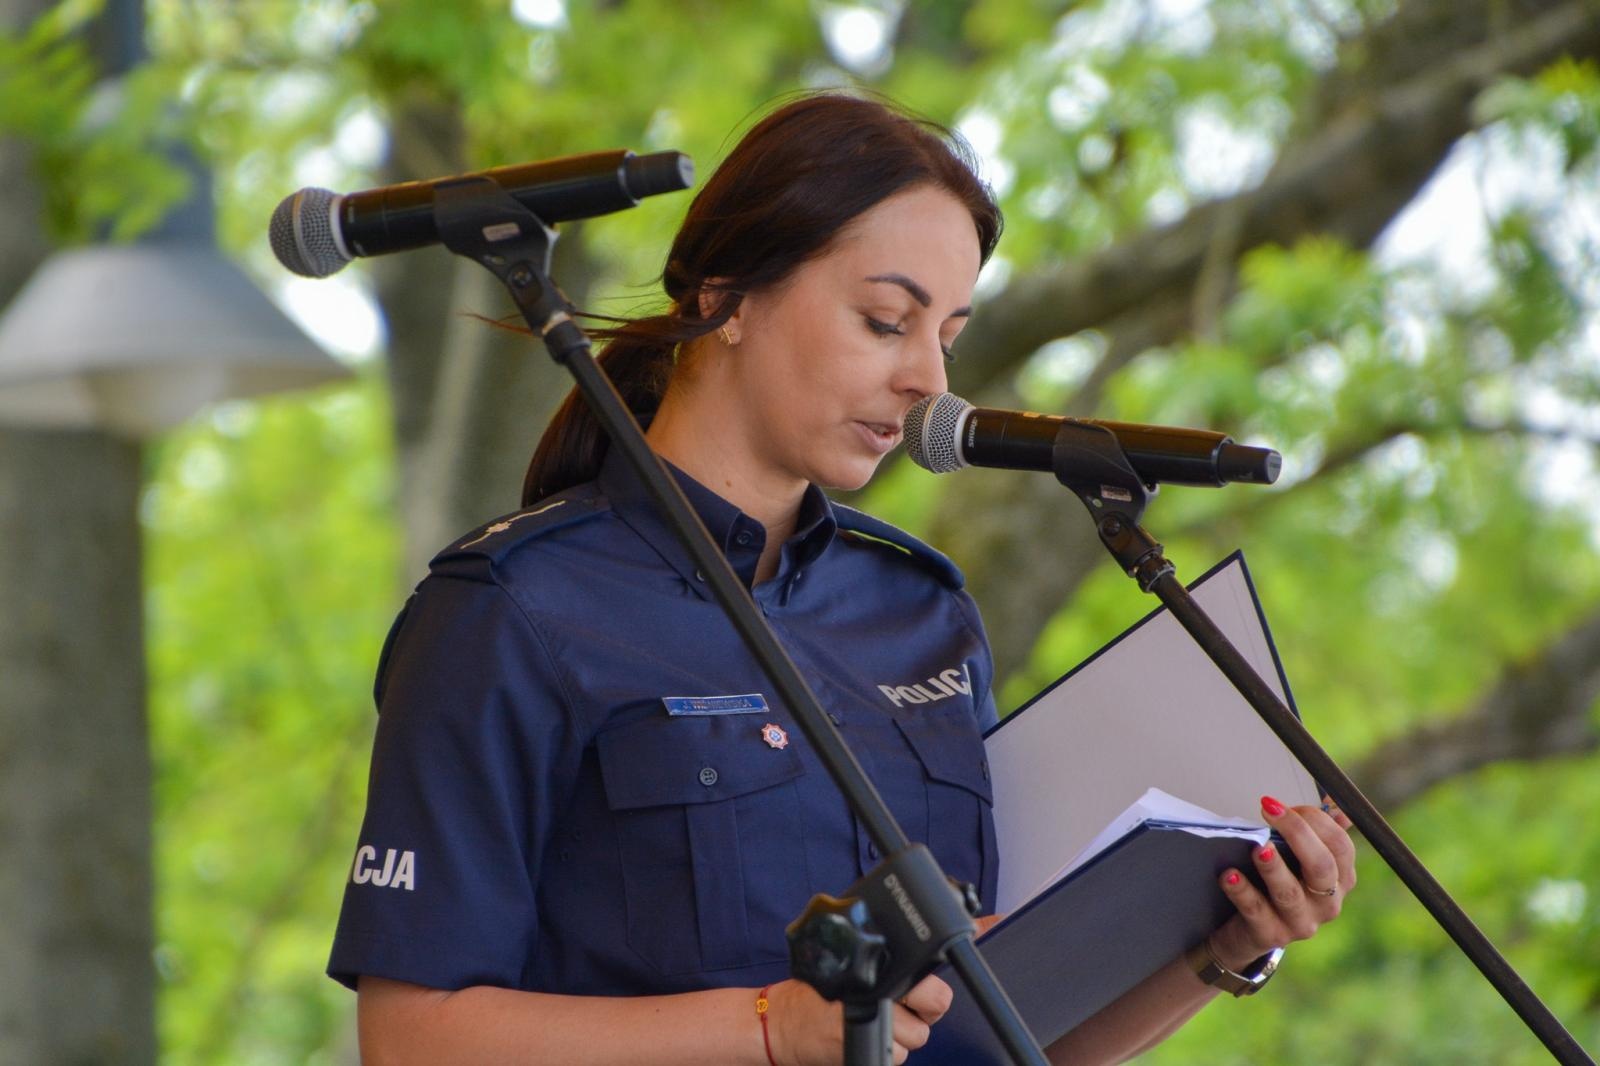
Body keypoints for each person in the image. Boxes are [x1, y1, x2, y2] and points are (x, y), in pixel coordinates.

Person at [329, 92, 1357, 1065]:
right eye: (885, 320)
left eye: (947, 337)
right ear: (726, 296)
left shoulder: (921, 609)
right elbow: (414, 1036)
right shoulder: (513, 609)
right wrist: (767, 1028)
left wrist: (1218, 949)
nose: (928, 383)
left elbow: (998, 1032)